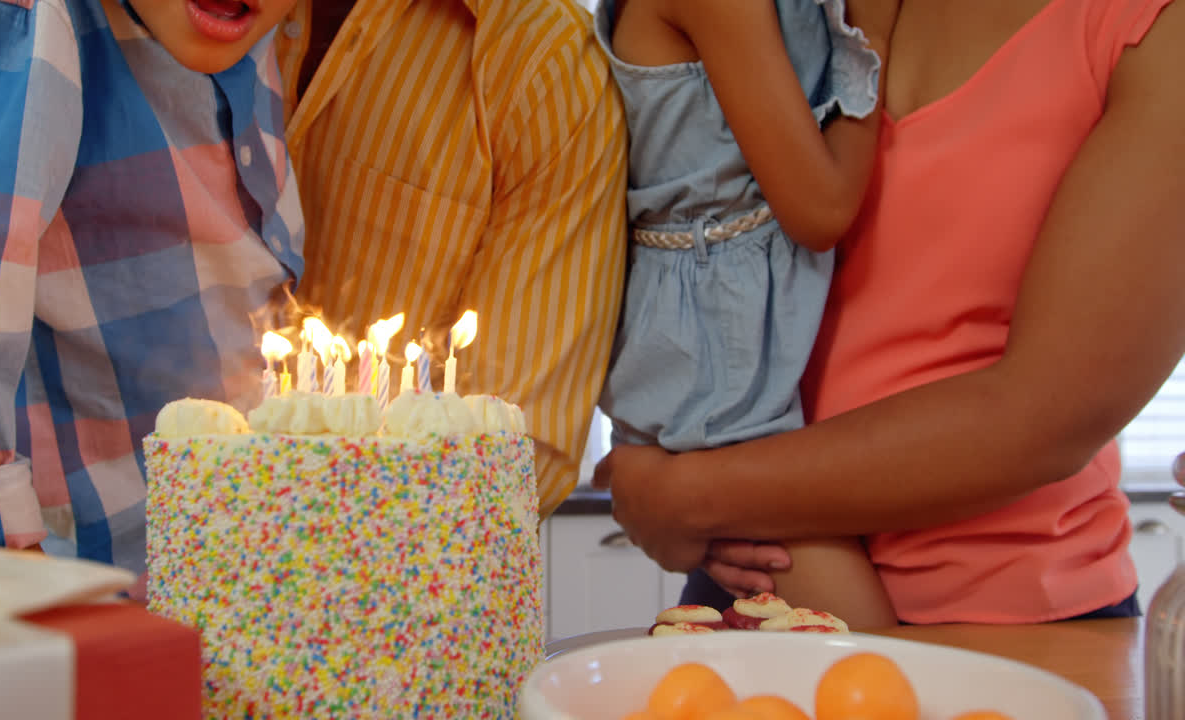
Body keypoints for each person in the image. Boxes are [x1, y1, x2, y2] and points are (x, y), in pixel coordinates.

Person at [595, 0, 1185, 625]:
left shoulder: (1147, 30)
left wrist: (685, 493)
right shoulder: (793, 12)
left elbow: (1049, 416)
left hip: (1016, 622)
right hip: (758, 583)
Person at [0, 0, 304, 593]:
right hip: (84, 608)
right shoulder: (11, 22)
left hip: (218, 595)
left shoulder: (239, 27)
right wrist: (12, 598)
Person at [592, 0, 899, 628]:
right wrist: (874, 28)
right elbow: (821, 210)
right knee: (870, 653)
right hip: (716, 352)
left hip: (723, 336)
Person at [274, 0, 628, 516]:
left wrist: (280, 547)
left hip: (389, 574)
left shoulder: (541, 60)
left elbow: (514, 457)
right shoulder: (151, 28)